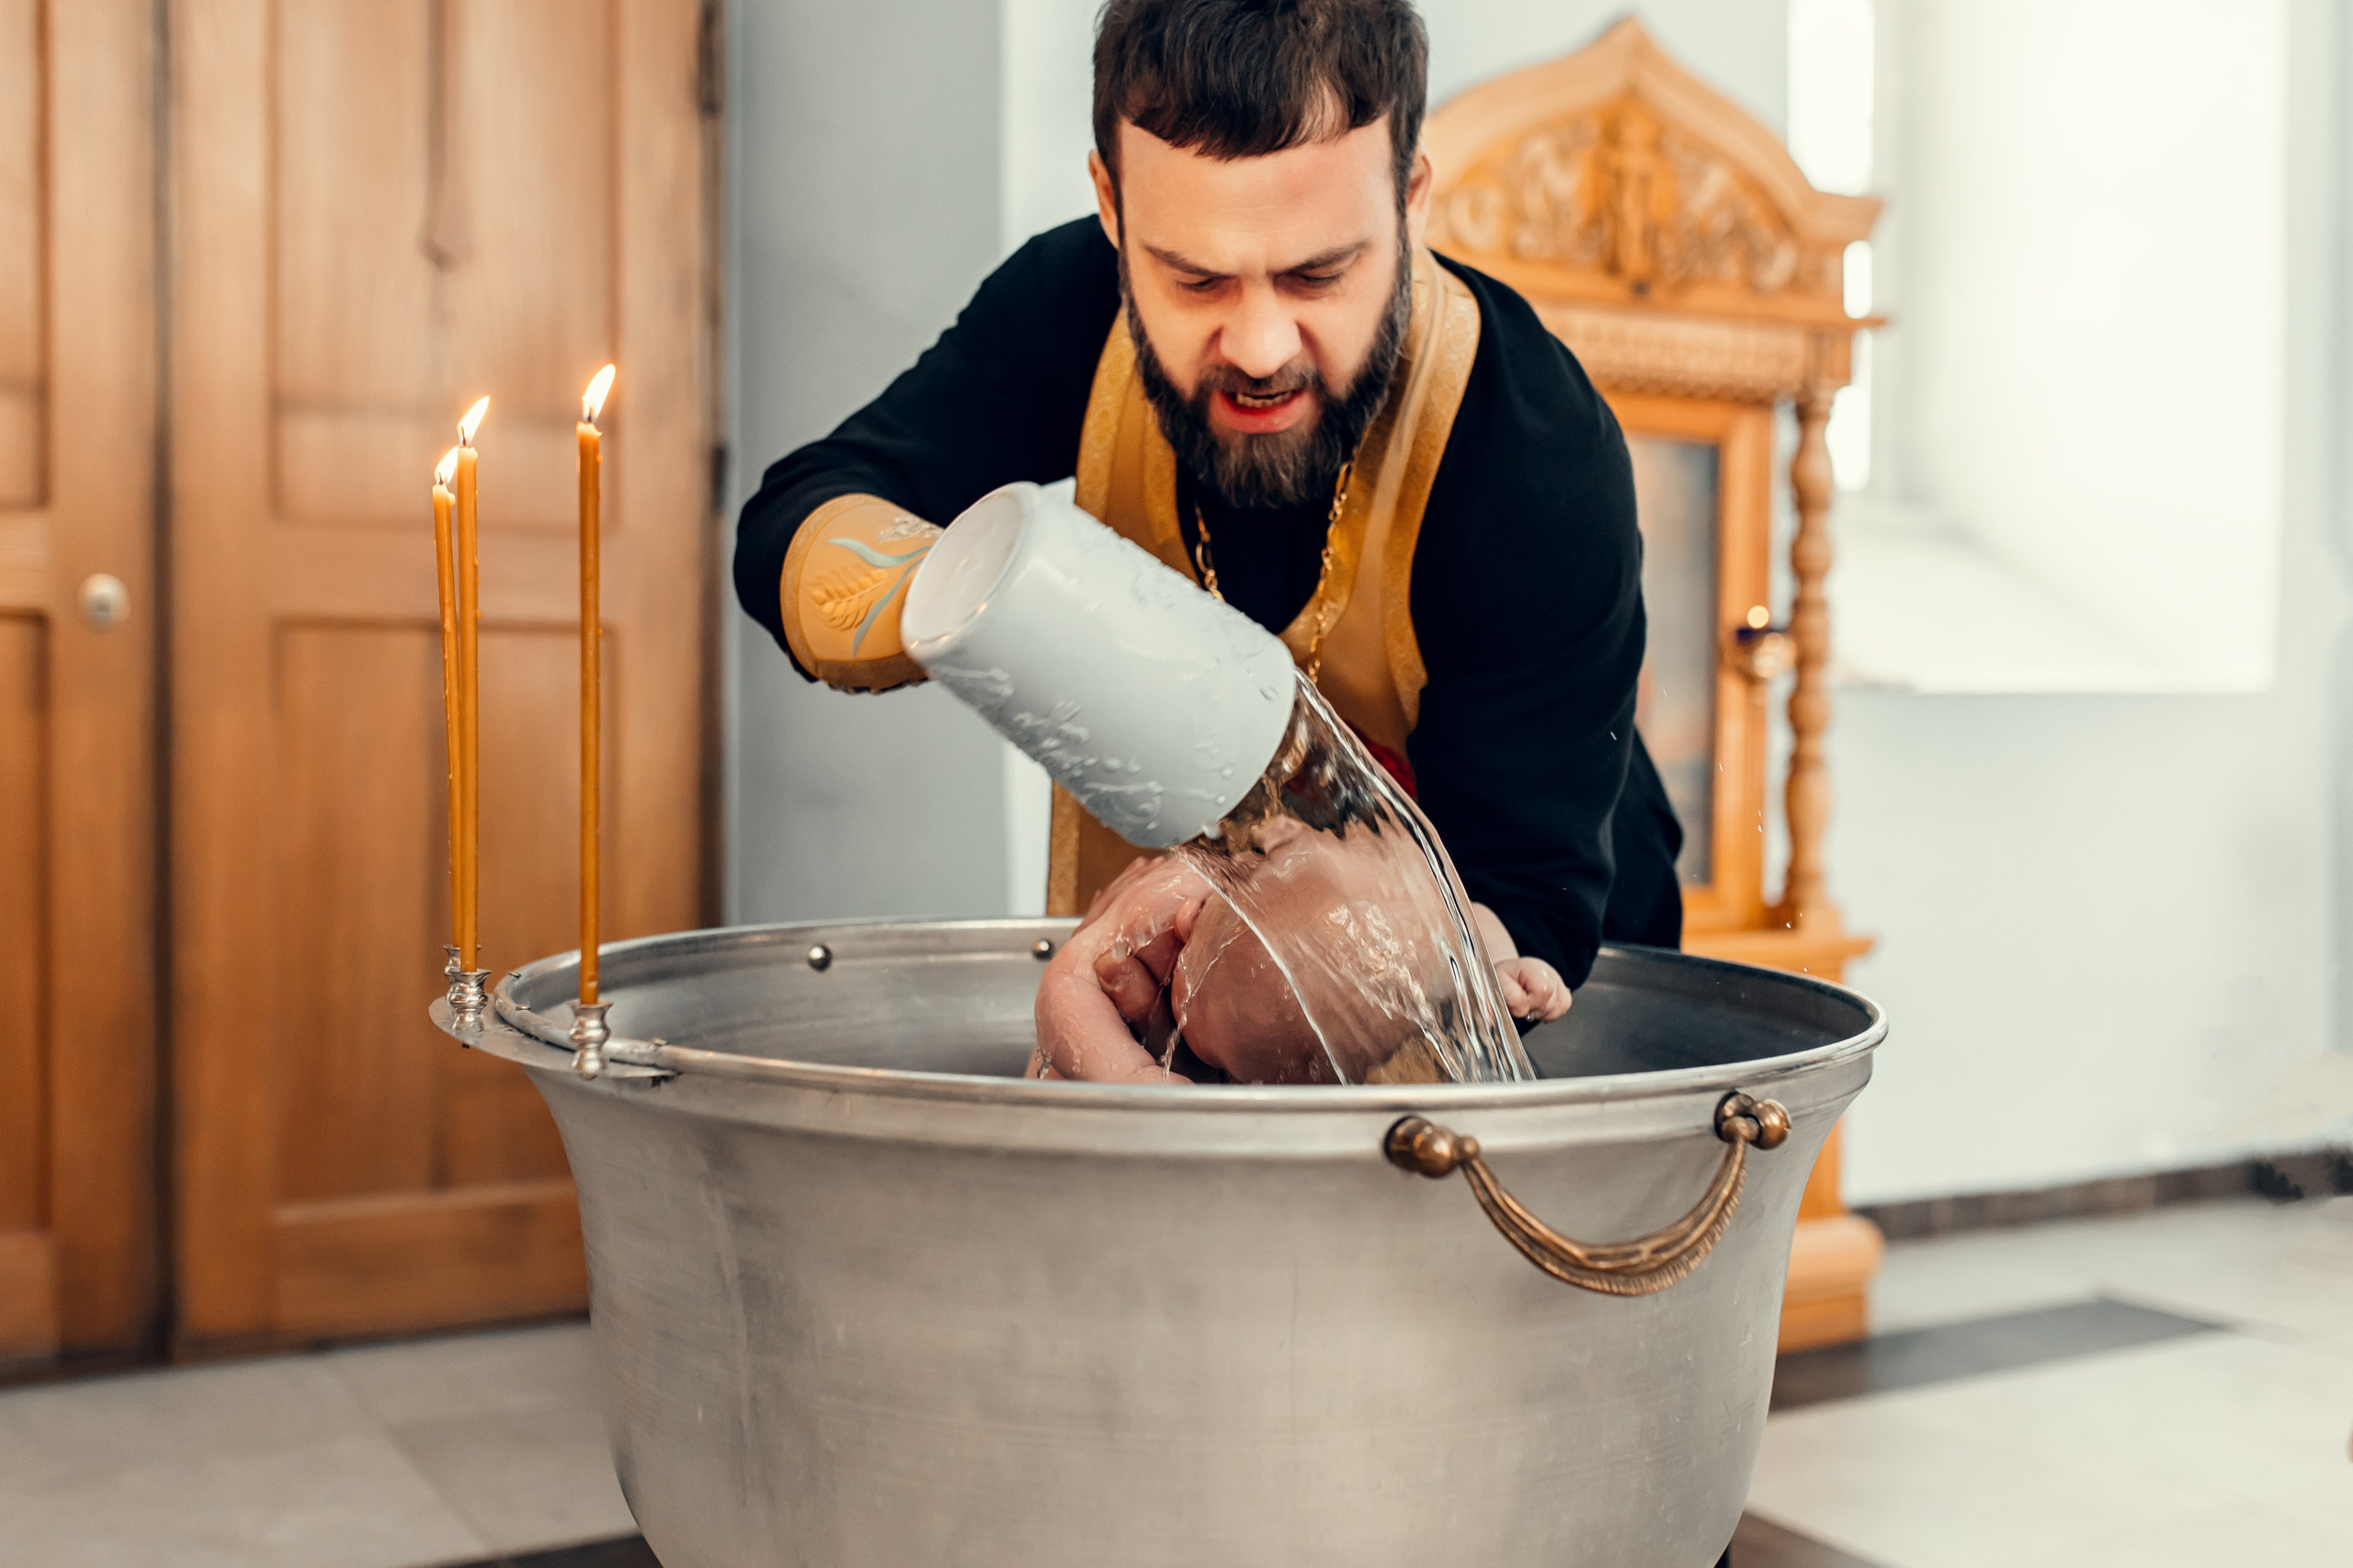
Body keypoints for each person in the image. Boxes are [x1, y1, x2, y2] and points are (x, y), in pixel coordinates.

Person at [734, 0, 1684, 1085]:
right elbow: (799, 513)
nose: (1261, 346)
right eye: (1195, 279)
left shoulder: (1530, 447)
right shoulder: (1072, 312)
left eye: (1319, 274)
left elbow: (1513, 921)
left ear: (1409, 199)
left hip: (1558, 994)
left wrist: (1226, 939)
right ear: (1110, 204)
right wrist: (987, 601)